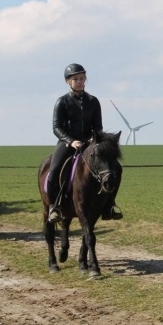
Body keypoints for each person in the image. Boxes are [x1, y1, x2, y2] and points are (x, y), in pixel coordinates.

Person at [47, 63, 123, 223]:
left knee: (116, 168)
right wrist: (70, 141)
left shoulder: (93, 101)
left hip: (90, 142)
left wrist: (93, 140)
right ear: (68, 81)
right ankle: (54, 207)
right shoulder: (62, 102)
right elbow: (56, 127)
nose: (80, 81)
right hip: (67, 143)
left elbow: (98, 126)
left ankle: (109, 204)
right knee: (54, 170)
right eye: (76, 79)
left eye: (82, 78)